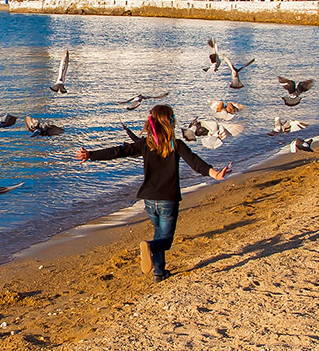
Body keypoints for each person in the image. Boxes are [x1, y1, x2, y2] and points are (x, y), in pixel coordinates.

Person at [75, 105, 229, 281]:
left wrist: (91, 155)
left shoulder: (145, 144)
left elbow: (119, 151)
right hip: (168, 200)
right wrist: (215, 174)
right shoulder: (176, 145)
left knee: (159, 234)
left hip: (149, 200)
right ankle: (149, 248)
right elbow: (196, 163)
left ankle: (159, 272)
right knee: (166, 240)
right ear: (170, 122)